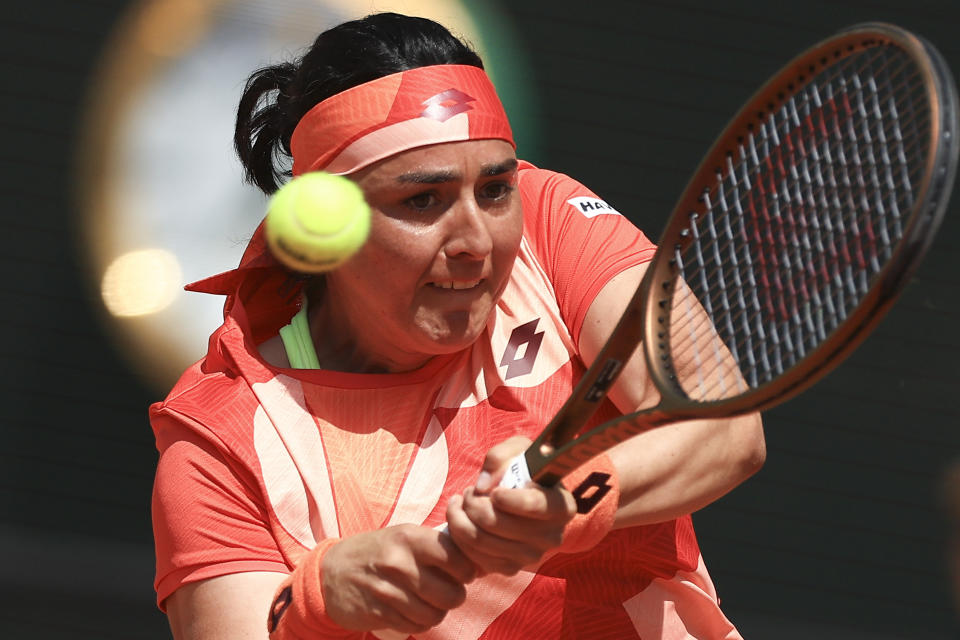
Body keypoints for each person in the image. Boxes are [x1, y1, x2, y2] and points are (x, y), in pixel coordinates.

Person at [150, 12, 766, 640]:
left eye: (495, 190)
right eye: (422, 200)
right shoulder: (218, 441)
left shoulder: (553, 223)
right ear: (328, 231)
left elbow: (723, 422)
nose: (477, 240)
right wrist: (318, 605)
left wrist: (573, 496)